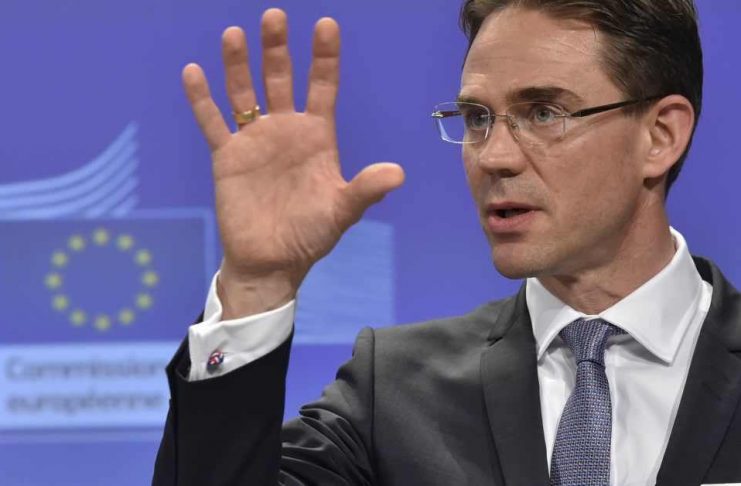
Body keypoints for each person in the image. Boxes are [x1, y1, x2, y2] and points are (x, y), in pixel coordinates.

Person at [152, 1, 741, 485]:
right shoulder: (393, 392)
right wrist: (257, 285)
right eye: (478, 117)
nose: (494, 156)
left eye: (543, 113)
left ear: (660, 135)